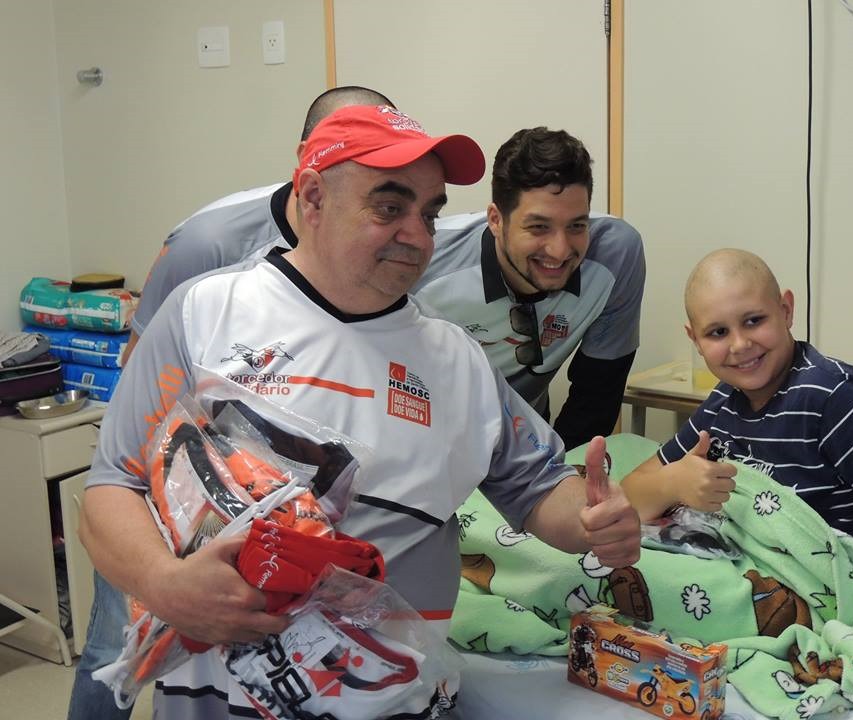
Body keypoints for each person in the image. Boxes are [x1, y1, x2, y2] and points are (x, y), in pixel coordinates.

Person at [79, 105, 642, 719]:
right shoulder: (207, 314)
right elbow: (112, 487)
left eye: (429, 213)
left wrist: (591, 521)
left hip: (402, 701)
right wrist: (162, 582)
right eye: (389, 207)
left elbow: (537, 490)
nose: (418, 235)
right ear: (313, 198)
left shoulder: (455, 358)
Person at [67, 85, 395, 720]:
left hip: (281, 495)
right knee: (120, 641)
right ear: (308, 165)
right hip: (171, 473)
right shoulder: (211, 241)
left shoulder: (381, 237)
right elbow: (143, 373)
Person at [620, 248, 853, 621]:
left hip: (844, 600)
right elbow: (628, 499)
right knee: (608, 555)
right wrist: (673, 482)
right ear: (695, 340)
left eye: (753, 321)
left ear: (786, 310)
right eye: (718, 332)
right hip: (756, 578)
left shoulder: (843, 400)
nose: (740, 345)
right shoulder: (723, 402)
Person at [120, 85, 395, 365]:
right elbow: (143, 367)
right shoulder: (206, 244)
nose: (374, 174)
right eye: (354, 155)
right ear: (307, 158)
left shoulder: (404, 242)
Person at [414, 127, 645, 450]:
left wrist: (561, 473)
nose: (560, 250)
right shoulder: (424, 258)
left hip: (527, 439)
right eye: (538, 227)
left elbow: (597, 394)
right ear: (496, 220)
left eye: (577, 225)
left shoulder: (616, 255)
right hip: (434, 438)